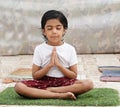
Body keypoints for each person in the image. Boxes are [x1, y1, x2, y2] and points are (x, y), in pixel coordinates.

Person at [14, 10, 93, 100]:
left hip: (65, 83)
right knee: (19, 86)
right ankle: (59, 95)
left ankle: (50, 91)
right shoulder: (39, 49)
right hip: (44, 82)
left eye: (58, 28)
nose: (54, 32)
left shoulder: (70, 49)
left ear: (64, 30)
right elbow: (35, 76)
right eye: (50, 28)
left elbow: (73, 75)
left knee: (88, 83)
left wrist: (59, 65)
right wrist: (49, 65)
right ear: (44, 31)